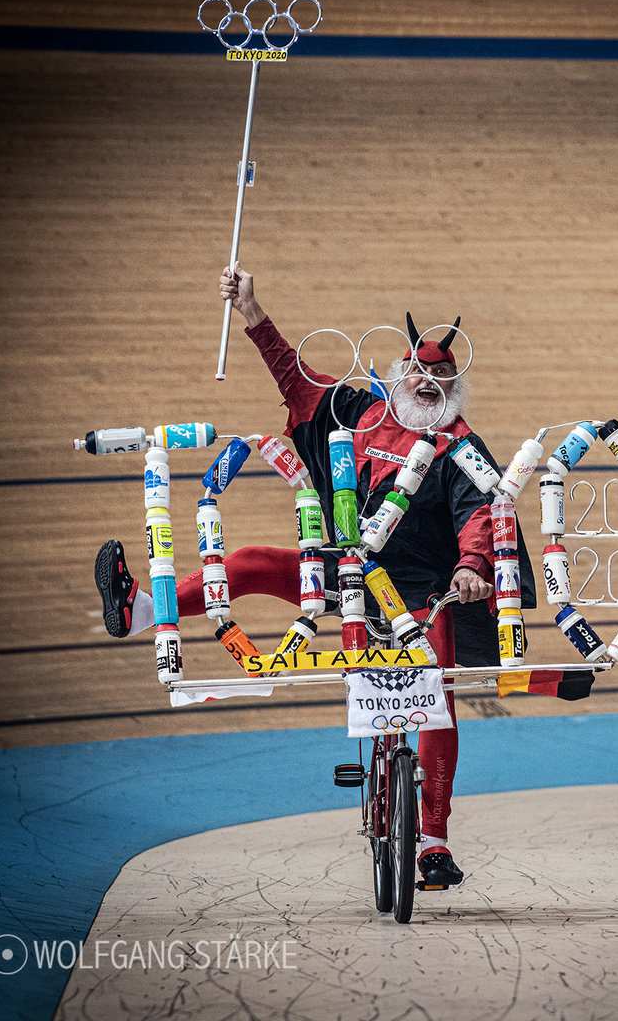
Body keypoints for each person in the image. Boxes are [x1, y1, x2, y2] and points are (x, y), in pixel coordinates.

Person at [95, 261, 538, 889]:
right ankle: (142, 610)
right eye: (421, 370)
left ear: (454, 386)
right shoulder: (357, 410)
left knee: (435, 697)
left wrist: (471, 568)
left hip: (420, 592)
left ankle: (432, 844)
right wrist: (252, 313)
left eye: (442, 375)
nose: (430, 381)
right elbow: (293, 379)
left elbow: (479, 515)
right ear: (399, 373)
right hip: (351, 568)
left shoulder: (460, 444)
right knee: (249, 562)